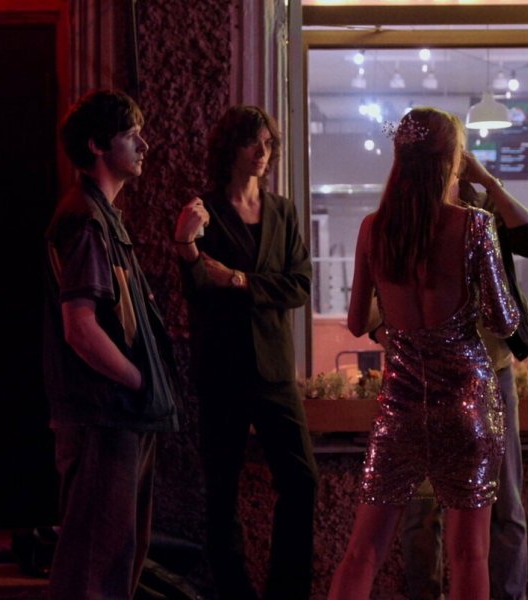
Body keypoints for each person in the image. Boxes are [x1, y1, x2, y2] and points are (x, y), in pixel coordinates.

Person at [328, 107, 520, 600]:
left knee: (362, 552)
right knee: (469, 555)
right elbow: (505, 321)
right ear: (452, 159)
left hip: (401, 406)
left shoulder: (374, 228)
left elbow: (357, 322)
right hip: (467, 404)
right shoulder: (473, 226)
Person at [174, 105, 318, 600]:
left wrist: (239, 280)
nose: (262, 151)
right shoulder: (205, 210)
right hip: (222, 368)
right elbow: (196, 288)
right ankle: (235, 593)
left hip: (274, 369)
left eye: (269, 143)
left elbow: (299, 285)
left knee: (302, 480)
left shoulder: (282, 211)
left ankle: (287, 593)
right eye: (252, 142)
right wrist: (188, 249)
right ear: (229, 147)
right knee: (221, 490)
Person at [42, 89, 179, 600]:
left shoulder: (102, 217)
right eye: (130, 135)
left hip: (120, 414)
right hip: (104, 415)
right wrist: (138, 381)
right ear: (98, 145)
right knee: (94, 570)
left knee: (114, 561)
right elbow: (80, 328)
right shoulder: (85, 220)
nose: (144, 145)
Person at [398, 152, 528, 600]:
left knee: (504, 502)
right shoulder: (403, 217)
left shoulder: (484, 213)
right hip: (426, 377)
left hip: (491, 373)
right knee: (423, 506)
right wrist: (395, 337)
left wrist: (488, 180)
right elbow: (372, 306)